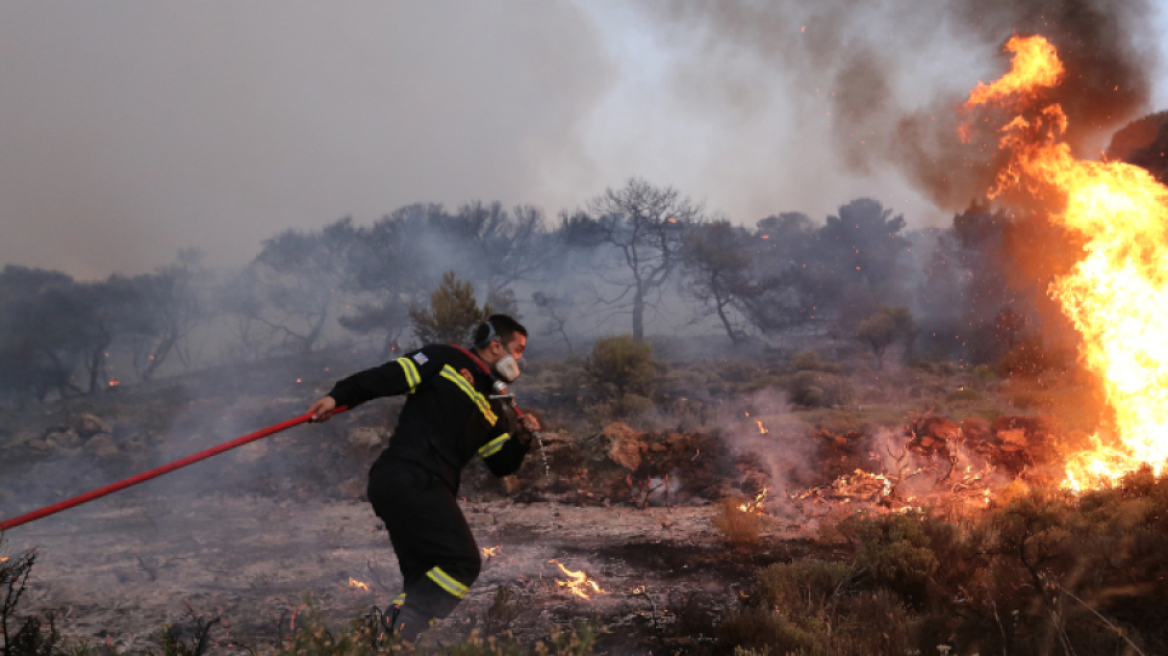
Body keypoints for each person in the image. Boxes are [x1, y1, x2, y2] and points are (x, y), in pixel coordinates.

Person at [306, 314, 540, 643]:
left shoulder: (493, 405)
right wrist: (338, 396)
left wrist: (522, 439)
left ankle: (381, 640)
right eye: (517, 350)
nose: (519, 360)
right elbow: (388, 377)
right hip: (408, 475)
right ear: (496, 344)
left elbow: (501, 465)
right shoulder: (447, 358)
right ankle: (392, 637)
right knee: (462, 563)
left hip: (419, 485)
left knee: (422, 581)